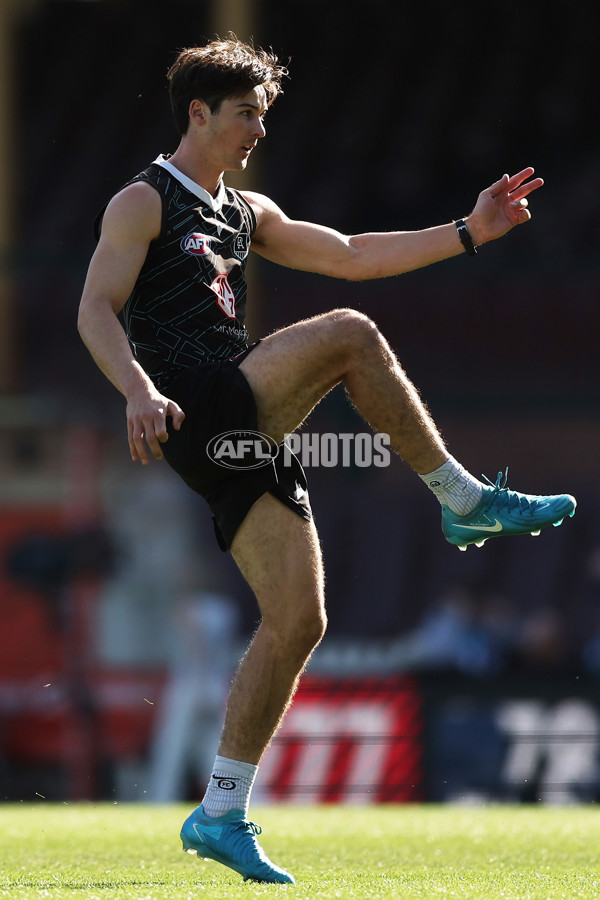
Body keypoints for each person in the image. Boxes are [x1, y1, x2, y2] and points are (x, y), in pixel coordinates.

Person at [77, 36, 576, 884]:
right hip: (198, 400)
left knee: (299, 622)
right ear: (198, 113)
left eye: (264, 117)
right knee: (348, 335)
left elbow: (352, 253)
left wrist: (469, 231)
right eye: (246, 115)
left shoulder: (245, 210)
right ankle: (460, 498)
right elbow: (95, 307)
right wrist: (133, 389)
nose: (258, 131)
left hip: (240, 433)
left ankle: (220, 812)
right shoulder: (143, 200)